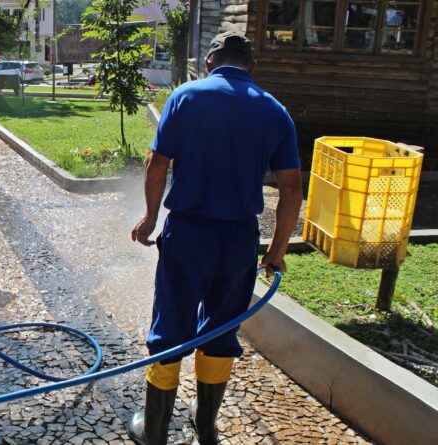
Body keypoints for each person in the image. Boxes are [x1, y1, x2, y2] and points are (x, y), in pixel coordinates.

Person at [128, 31, 303, 445]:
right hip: (239, 239)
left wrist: (151, 217)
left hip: (188, 234)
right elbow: (292, 189)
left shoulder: (186, 97)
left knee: (170, 327)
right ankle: (205, 425)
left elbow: (157, 164)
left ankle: (154, 433)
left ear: (208, 62)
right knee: (221, 330)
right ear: (252, 67)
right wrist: (276, 251)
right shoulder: (275, 110)